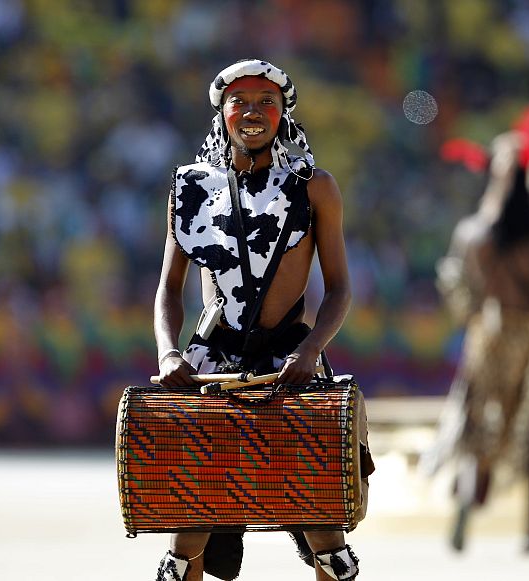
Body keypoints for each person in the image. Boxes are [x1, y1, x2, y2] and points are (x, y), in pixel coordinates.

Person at [153, 59, 371, 581]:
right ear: (222, 113)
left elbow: (339, 288)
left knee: (323, 523)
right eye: (240, 102)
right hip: (211, 362)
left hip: (290, 360)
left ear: (282, 114)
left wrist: (310, 350)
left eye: (266, 102)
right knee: (189, 529)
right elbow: (168, 288)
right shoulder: (189, 188)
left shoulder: (315, 187)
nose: (252, 112)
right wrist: (168, 352)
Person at [421, 118, 529, 554]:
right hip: (528, 338)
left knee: (475, 423)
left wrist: (472, 314)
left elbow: (455, 287)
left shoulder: (471, 234)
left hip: (485, 337)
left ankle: (463, 507)